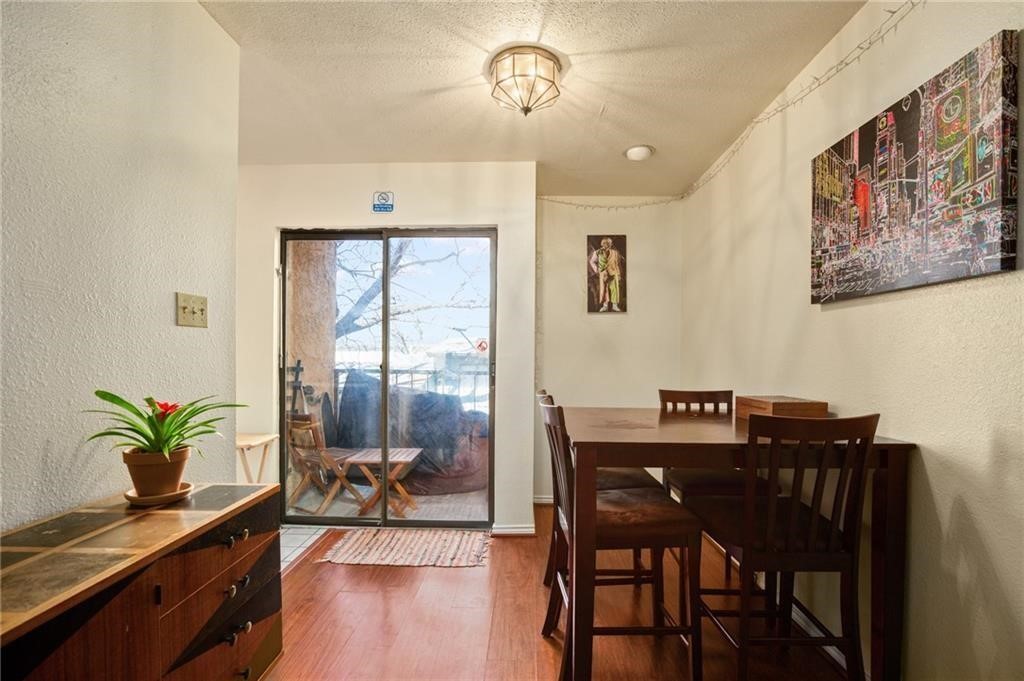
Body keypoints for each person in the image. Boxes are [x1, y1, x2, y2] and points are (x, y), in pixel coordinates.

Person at [589, 237, 624, 312]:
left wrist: (619, 274)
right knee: (604, 290)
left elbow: (617, 264)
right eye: (604, 243)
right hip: (603, 274)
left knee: (614, 289)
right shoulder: (597, 252)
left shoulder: (615, 252)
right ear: (602, 244)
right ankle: (605, 306)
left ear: (611, 244)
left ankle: (615, 305)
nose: (606, 245)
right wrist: (597, 270)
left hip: (613, 273)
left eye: (608, 243)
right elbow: (592, 261)